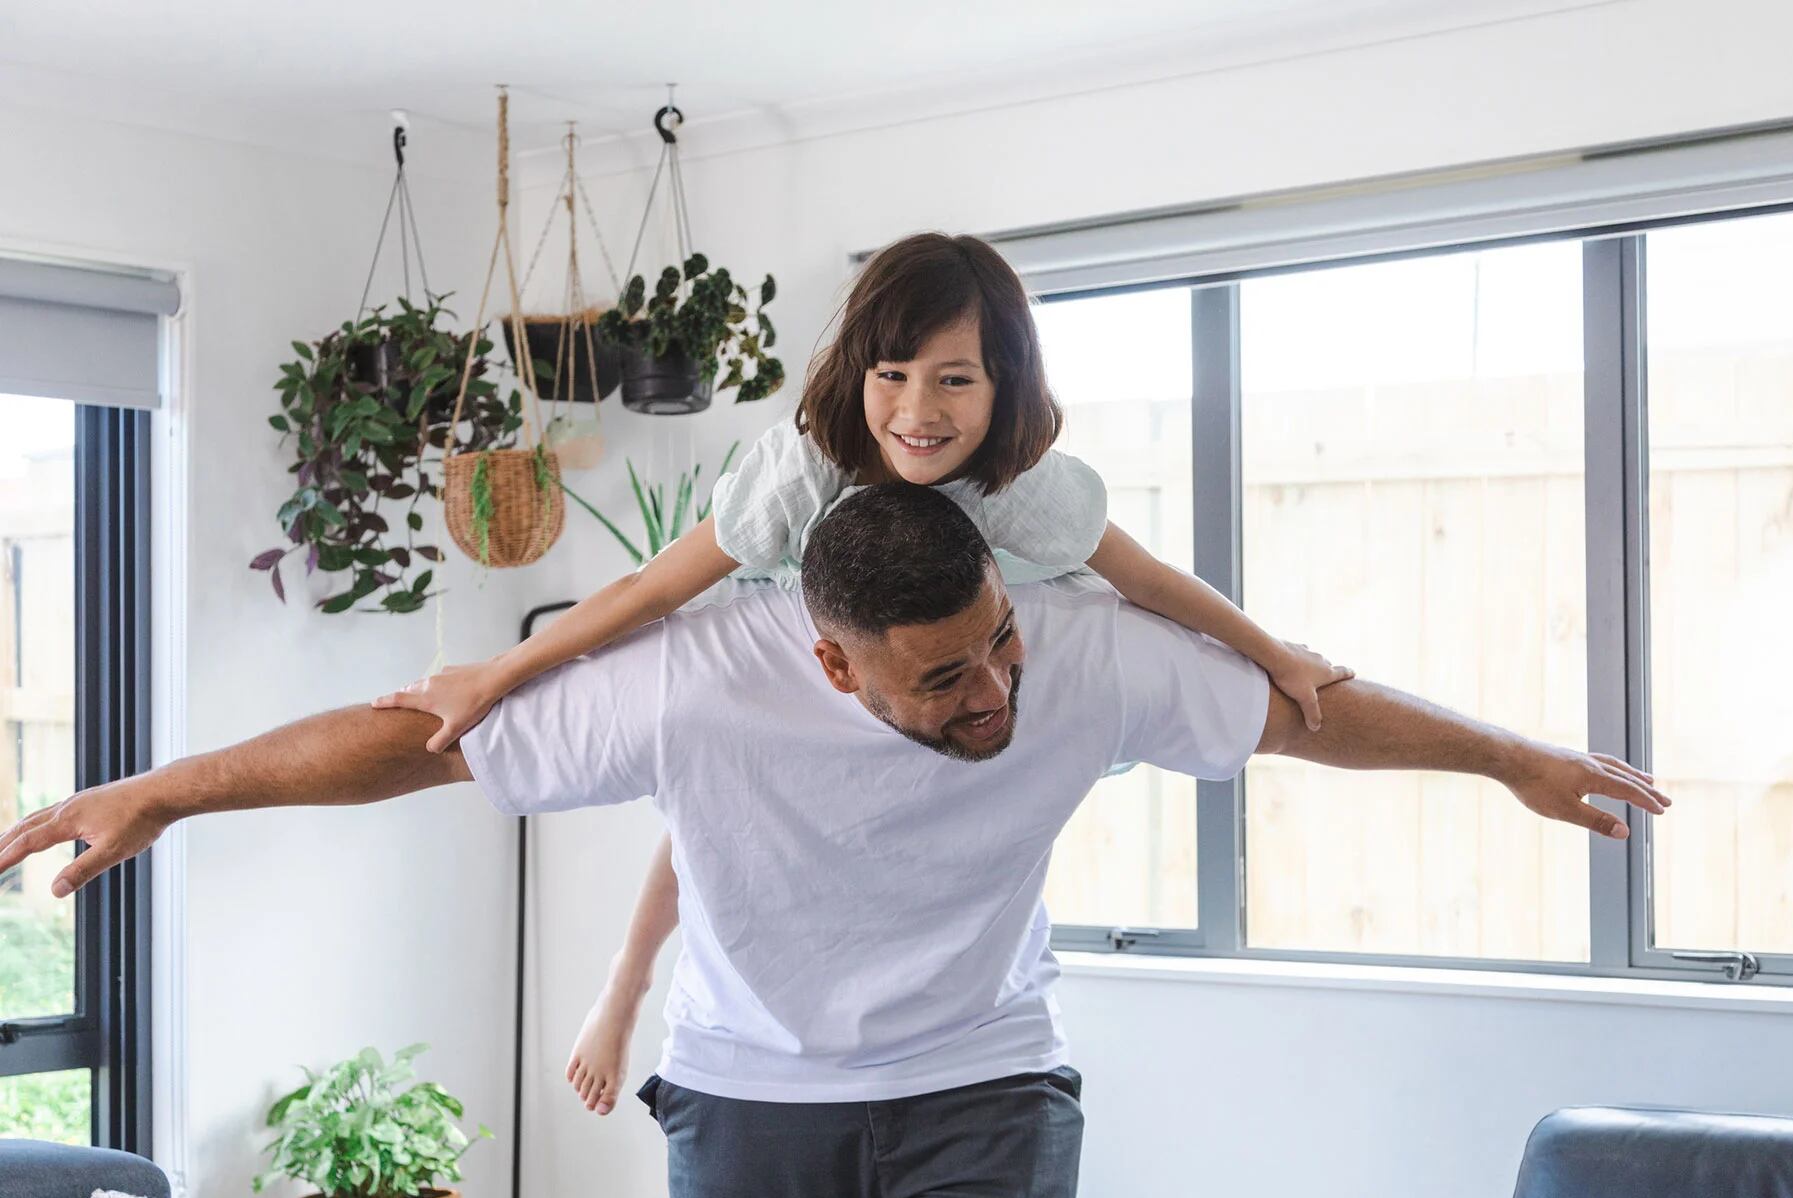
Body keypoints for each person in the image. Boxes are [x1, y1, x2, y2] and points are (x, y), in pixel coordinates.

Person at [2, 484, 1668, 1198]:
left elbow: (1309, 713)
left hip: (985, 1088)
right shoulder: (696, 674)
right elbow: (421, 745)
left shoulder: (1071, 646)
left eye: (996, 652)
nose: (994, 699)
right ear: (825, 655)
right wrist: (171, 790)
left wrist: (1511, 755)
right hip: (751, 1102)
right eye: (941, 682)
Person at [369, 232, 1355, 1115]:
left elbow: (1151, 582)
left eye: (956, 380)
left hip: (930, 647)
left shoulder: (1025, 493)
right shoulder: (804, 471)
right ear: (858, 372)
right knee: (711, 797)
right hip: (798, 628)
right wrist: (497, 672)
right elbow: (651, 585)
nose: (920, 412)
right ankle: (625, 985)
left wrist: (1274, 655)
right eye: (893, 373)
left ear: (1006, 385)